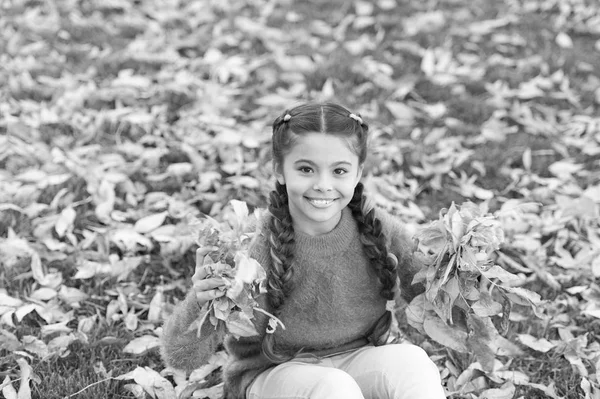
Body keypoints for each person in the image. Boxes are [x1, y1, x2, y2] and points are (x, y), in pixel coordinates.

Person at [161, 102, 447, 399]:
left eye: (339, 170)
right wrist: (202, 299)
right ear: (279, 170)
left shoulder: (379, 228)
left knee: (413, 361)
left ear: (358, 172)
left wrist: (456, 276)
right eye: (306, 169)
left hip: (358, 361)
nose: (323, 184)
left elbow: (431, 303)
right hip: (274, 373)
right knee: (334, 387)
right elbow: (181, 359)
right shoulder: (250, 242)